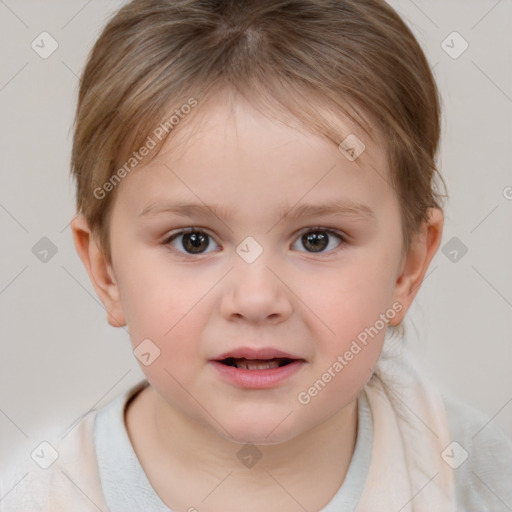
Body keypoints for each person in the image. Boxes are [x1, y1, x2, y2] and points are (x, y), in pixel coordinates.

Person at [3, 0, 511, 510]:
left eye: (318, 239)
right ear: (106, 270)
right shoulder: (37, 497)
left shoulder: (479, 483)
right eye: (193, 240)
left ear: (408, 267)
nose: (256, 298)